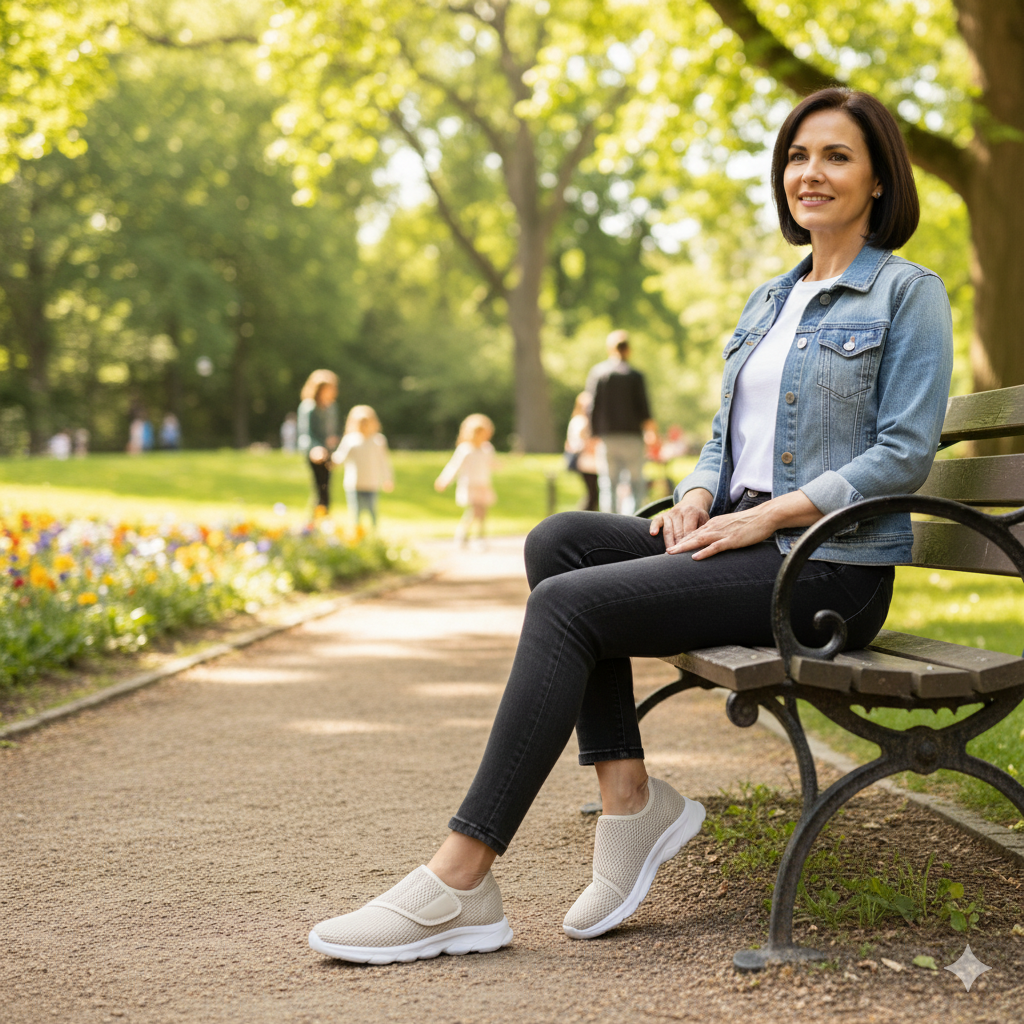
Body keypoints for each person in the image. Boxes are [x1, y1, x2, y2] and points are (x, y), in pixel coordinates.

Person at [307, 88, 953, 965]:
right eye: (799, 156)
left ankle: (461, 878)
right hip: (742, 536)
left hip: (826, 568)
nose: (812, 174)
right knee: (558, 543)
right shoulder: (770, 300)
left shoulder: (907, 295)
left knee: (568, 606)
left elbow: (904, 453)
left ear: (878, 179)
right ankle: (628, 796)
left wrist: (768, 514)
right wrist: (696, 495)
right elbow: (725, 440)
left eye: (837, 156)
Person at [585, 330, 657, 514]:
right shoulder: (635, 376)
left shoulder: (599, 373)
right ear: (628, 350)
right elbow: (644, 408)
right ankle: (632, 524)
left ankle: (609, 527)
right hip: (632, 438)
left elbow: (592, 407)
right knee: (635, 485)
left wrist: (591, 437)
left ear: (610, 349)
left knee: (609, 484)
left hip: (608, 438)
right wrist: (652, 434)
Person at [435, 414, 498, 546]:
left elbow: (491, 463)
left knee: (482, 513)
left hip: (483, 485)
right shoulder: (465, 450)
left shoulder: (487, 449)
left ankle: (480, 536)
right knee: (473, 511)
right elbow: (454, 466)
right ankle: (463, 534)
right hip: (470, 485)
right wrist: (444, 480)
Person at [331, 405, 393, 528]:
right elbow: (340, 457)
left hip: (371, 483)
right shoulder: (350, 440)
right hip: (354, 484)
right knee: (356, 513)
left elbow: (384, 462)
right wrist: (331, 460)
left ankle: (374, 536)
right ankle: (357, 536)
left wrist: (387, 479)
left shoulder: (378, 440)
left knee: (372, 511)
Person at [297, 370, 340, 514]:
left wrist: (333, 443)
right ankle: (316, 517)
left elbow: (332, 431)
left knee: (327, 486)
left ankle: (324, 516)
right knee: (319, 486)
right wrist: (314, 448)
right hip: (314, 452)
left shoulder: (331, 407)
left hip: (329, 451)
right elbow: (305, 433)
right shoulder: (308, 407)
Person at [564, 392, 599, 512]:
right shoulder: (580, 421)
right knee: (592, 494)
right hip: (586, 463)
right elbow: (581, 442)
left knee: (594, 494)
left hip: (593, 463)